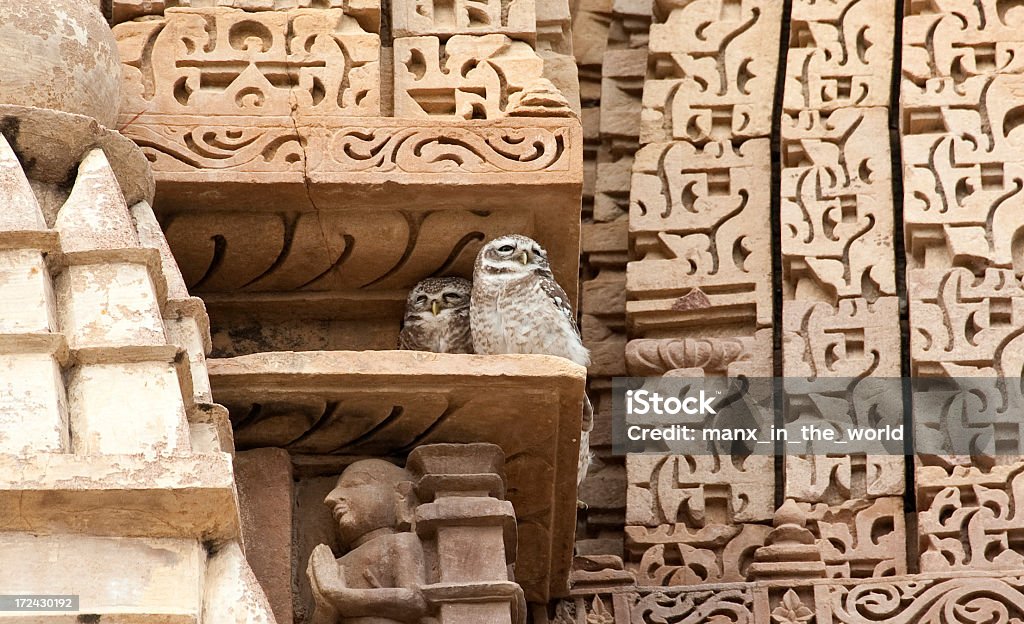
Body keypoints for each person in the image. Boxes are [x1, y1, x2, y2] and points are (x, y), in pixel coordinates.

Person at [307, 460, 430, 624]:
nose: (331, 498)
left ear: (401, 495)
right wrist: (325, 607)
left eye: (355, 484)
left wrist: (338, 595)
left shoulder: (400, 542)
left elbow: (415, 600)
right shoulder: (333, 565)